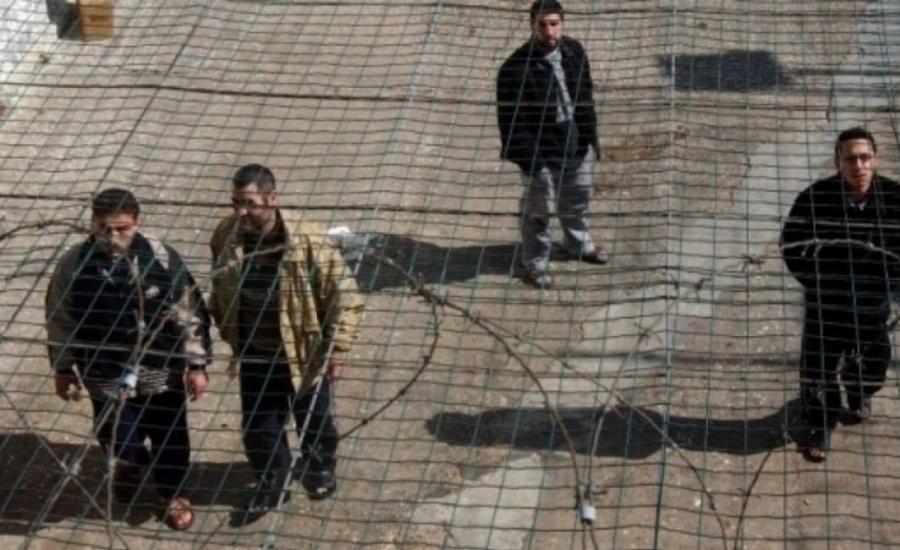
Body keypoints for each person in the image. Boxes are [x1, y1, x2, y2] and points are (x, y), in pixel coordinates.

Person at [46, 188, 211, 530]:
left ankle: (173, 493)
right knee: (118, 435)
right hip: (104, 372)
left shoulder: (160, 256)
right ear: (92, 223)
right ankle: (129, 465)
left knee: (170, 435)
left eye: (122, 229)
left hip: (160, 369)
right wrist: (63, 367)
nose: (113, 237)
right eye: (104, 228)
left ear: (136, 222)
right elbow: (60, 319)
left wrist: (196, 365)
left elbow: (188, 311)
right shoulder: (73, 265)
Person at [208, 164, 364, 525]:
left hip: (304, 353)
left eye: (249, 203)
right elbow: (220, 284)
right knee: (259, 427)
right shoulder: (226, 235)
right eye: (235, 203)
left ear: (273, 198)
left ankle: (320, 467)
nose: (241, 212)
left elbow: (345, 297)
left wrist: (337, 349)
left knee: (314, 418)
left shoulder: (307, 241)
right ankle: (272, 481)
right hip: (255, 352)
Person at [781, 127, 900, 462]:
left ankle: (860, 390)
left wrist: (890, 287)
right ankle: (820, 424)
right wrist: (817, 283)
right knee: (817, 370)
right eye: (850, 159)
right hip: (826, 302)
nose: (858, 166)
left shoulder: (894, 198)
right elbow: (791, 245)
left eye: (864, 158)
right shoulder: (814, 198)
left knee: (873, 363)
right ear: (838, 162)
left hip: (872, 302)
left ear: (875, 159)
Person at [496, 0, 608, 289]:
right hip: (541, 152)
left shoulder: (574, 52)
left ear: (562, 23)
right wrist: (532, 163)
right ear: (531, 25)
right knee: (538, 213)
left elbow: (586, 95)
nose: (549, 31)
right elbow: (512, 125)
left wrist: (590, 138)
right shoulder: (514, 69)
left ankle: (578, 244)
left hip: (575, 142)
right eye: (543, 25)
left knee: (577, 200)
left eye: (554, 24)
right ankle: (535, 262)